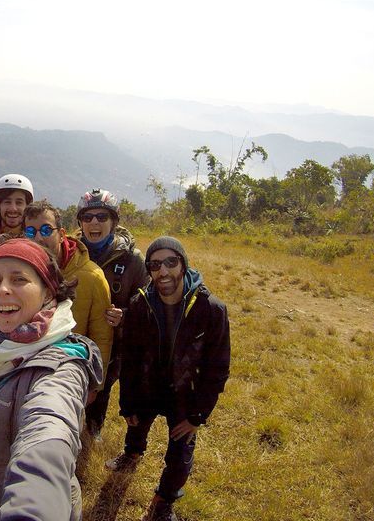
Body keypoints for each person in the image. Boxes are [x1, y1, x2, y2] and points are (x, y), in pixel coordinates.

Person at [0, 239, 103, 520]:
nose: (3, 289)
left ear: (48, 290)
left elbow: (48, 427)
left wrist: (34, 508)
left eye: (19, 279)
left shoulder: (60, 368)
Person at [107, 236, 230, 521]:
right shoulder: (140, 305)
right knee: (136, 425)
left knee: (180, 455)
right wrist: (128, 404)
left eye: (170, 262)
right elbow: (130, 359)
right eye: (154, 265)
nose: (163, 271)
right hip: (148, 387)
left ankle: (163, 501)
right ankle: (132, 453)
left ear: (183, 265)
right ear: (149, 270)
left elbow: (217, 368)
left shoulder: (210, 309)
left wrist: (198, 415)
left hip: (186, 394)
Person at [78, 188, 149, 439]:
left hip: (114, 340)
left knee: (103, 382)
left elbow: (147, 302)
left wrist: (125, 315)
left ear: (114, 221)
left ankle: (94, 427)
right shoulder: (70, 252)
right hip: (75, 333)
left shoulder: (132, 259)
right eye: (87, 217)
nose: (94, 223)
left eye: (102, 217)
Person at [22, 200, 114, 382]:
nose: (39, 238)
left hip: (73, 376)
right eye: (31, 232)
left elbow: (102, 337)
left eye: (46, 230)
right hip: (26, 374)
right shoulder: (20, 274)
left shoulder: (92, 276)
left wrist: (96, 383)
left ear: (62, 234)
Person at [0, 173, 34, 238]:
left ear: (28, 207)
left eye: (19, 203)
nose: (13, 208)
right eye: (7, 202)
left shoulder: (37, 239)